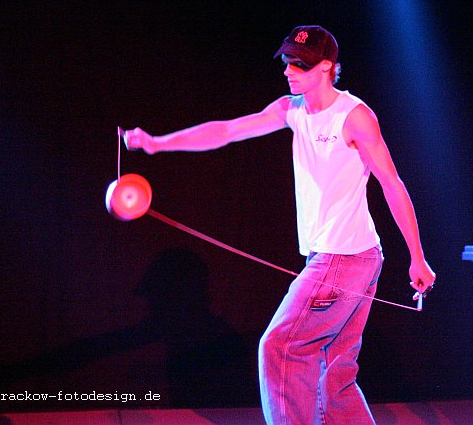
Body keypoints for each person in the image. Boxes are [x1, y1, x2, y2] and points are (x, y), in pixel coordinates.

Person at [123, 25, 436, 424]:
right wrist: (157, 143)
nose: (289, 70)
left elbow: (392, 184)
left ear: (327, 67)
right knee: (334, 377)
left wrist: (417, 257)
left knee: (279, 348)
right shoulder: (291, 110)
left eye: (300, 65)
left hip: (342, 257)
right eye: (287, 61)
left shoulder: (354, 117)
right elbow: (228, 130)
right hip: (352, 258)